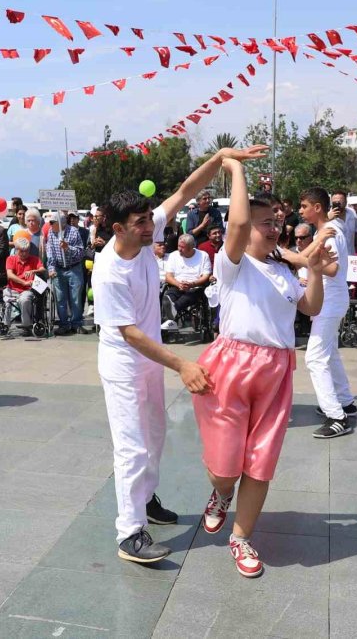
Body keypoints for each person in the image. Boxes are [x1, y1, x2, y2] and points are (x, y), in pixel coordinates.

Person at [91, 143, 267, 564]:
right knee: (131, 446)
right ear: (118, 229)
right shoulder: (108, 270)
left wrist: (221, 158)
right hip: (124, 365)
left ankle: (145, 498)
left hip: (149, 363)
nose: (150, 226)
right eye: (139, 223)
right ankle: (129, 533)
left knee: (155, 438)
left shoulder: (148, 226)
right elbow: (129, 332)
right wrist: (182, 364)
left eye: (148, 218)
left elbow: (187, 190)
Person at [193, 158, 331, 578]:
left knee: (260, 462)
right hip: (232, 367)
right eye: (262, 222)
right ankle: (220, 493)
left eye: (275, 221)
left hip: (276, 371)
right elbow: (233, 228)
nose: (272, 228)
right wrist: (234, 170)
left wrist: (316, 271)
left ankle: (241, 538)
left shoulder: (282, 271)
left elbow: (310, 306)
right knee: (224, 467)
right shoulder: (233, 265)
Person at [299, 187, 356, 439]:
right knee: (329, 353)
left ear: (317, 208)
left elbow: (332, 269)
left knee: (314, 358)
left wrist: (311, 262)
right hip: (330, 299)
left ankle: (336, 417)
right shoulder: (325, 231)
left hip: (329, 301)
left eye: (304, 206)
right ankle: (345, 401)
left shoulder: (329, 234)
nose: (300, 211)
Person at [45, 214, 87, 335]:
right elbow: (50, 251)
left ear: (62, 223)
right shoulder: (51, 232)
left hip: (74, 268)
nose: (50, 225)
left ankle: (77, 323)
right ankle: (64, 324)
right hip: (58, 268)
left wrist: (67, 248)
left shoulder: (73, 232)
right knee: (60, 298)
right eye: (50, 223)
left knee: (76, 298)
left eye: (53, 222)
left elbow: (80, 252)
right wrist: (51, 268)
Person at [3, 237, 47, 336]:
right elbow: (10, 275)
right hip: (12, 288)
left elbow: (43, 270)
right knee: (6, 299)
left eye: (26, 251)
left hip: (27, 290)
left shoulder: (35, 259)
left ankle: (26, 325)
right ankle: (5, 325)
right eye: (21, 251)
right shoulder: (11, 259)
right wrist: (23, 282)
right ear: (16, 250)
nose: (24, 253)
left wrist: (33, 271)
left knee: (25, 300)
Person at [164, 234, 212, 317]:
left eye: (182, 247)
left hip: (196, 287)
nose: (179, 249)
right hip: (177, 285)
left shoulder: (203, 255)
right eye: (178, 246)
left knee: (188, 296)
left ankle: (173, 310)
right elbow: (168, 276)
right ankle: (170, 315)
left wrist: (192, 284)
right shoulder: (173, 255)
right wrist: (178, 284)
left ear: (191, 247)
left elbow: (206, 275)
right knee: (168, 296)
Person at [330, 190, 357, 255]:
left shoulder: (352, 213)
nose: (337, 204)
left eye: (340, 202)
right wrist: (328, 219)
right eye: (335, 202)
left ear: (346, 202)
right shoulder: (326, 217)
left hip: (351, 256)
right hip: (336, 259)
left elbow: (356, 232)